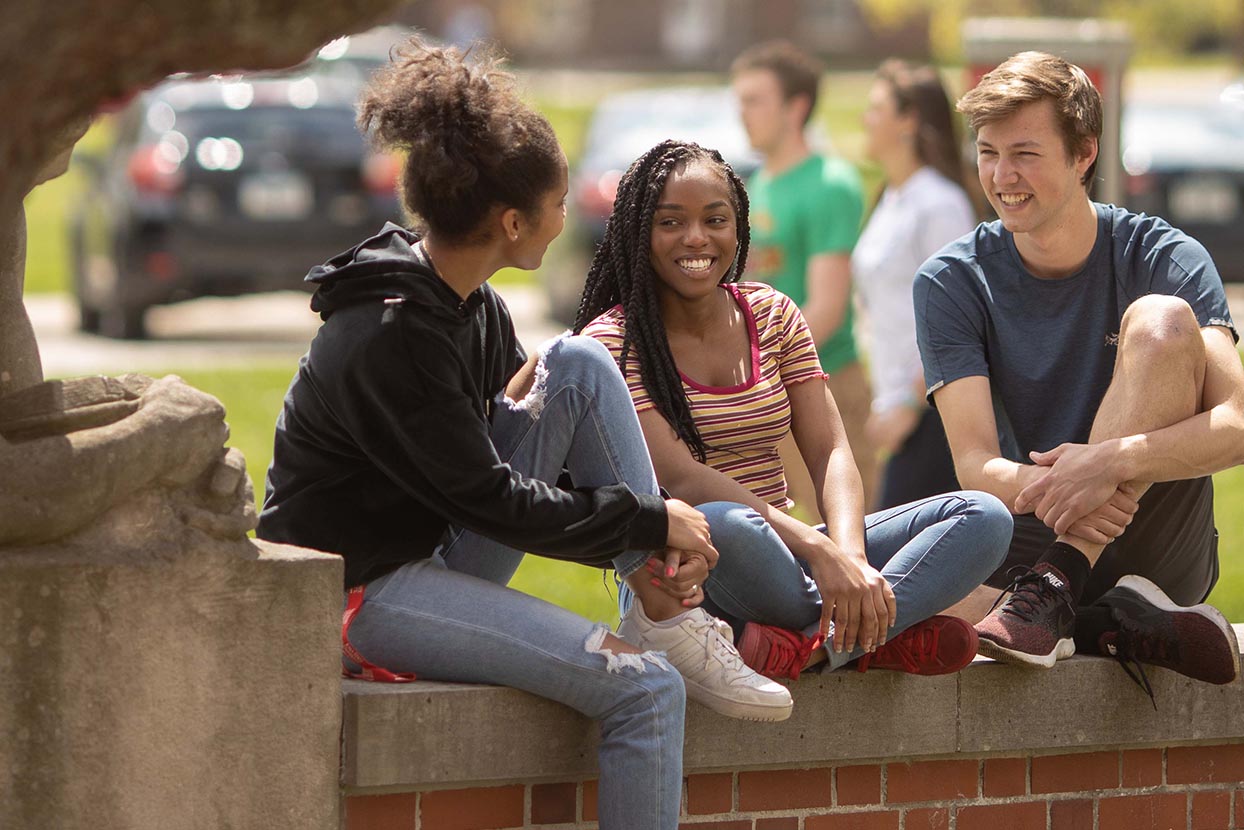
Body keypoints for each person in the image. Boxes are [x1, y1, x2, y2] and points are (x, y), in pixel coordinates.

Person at [256, 41, 792, 830]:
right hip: (362, 592)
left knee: (574, 361)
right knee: (644, 689)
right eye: (559, 200)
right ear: (513, 222)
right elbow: (495, 500)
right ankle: (664, 624)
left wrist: (650, 534)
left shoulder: (471, 305)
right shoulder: (392, 332)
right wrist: (650, 518)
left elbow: (543, 446)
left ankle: (663, 609)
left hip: (438, 546)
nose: (574, 214)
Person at [574, 139, 1014, 681]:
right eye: (671, 222)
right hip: (692, 570)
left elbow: (829, 449)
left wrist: (849, 553)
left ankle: (812, 645)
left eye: (716, 219)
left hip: (789, 562)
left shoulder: (773, 314)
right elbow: (683, 478)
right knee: (720, 522)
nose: (696, 238)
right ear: (638, 232)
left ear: (738, 230)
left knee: (985, 517)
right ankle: (876, 635)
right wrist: (817, 548)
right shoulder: (612, 341)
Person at [914, 51, 1243, 696]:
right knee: (890, 615)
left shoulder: (1165, 256)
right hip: (1026, 555)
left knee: (1162, 321)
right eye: (987, 152)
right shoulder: (951, 281)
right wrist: (1071, 477)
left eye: (1026, 153)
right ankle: (1097, 622)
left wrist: (1110, 461)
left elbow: (1237, 424)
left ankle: (1063, 581)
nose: (1002, 176)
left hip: (1155, 550)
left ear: (1084, 152)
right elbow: (975, 463)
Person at [731, 40, 878, 510]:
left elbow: (828, 308)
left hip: (823, 386)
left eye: (755, 100)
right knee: (786, 555)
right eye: (740, 101)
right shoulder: (758, 183)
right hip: (769, 391)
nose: (742, 113)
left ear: (796, 107)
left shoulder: (829, 183)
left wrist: (753, 377)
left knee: (855, 544)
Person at [852, 60, 976, 509]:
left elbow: (956, 317)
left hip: (932, 415)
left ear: (908, 120)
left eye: (876, 108)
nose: (866, 119)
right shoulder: (891, 196)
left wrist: (908, 403)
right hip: (898, 411)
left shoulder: (940, 203)